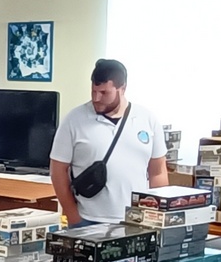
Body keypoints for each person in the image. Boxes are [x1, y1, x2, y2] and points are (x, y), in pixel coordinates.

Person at [49, 59, 169, 225]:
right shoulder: (74, 119)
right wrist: (72, 215)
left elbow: (158, 172)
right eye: (94, 91)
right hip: (88, 219)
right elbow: (57, 170)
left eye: (104, 93)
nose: (96, 98)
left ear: (122, 88)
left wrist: (159, 215)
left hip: (137, 220)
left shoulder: (147, 119)